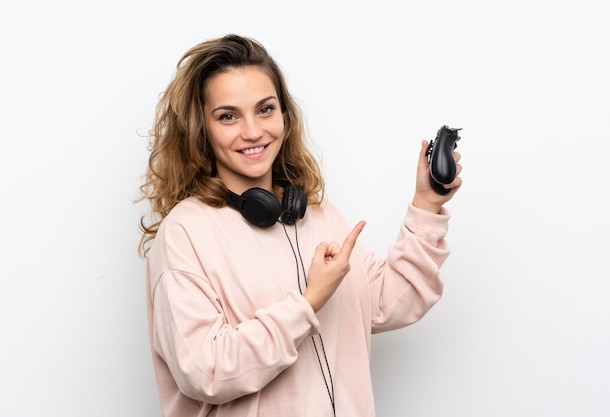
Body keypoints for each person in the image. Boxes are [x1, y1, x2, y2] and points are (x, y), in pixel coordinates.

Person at [138, 34, 462, 417]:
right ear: (201, 130)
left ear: (284, 116)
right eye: (228, 116)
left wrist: (427, 204)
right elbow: (205, 370)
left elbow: (390, 303)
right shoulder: (186, 233)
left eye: (265, 109)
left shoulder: (318, 214)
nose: (253, 131)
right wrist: (309, 302)